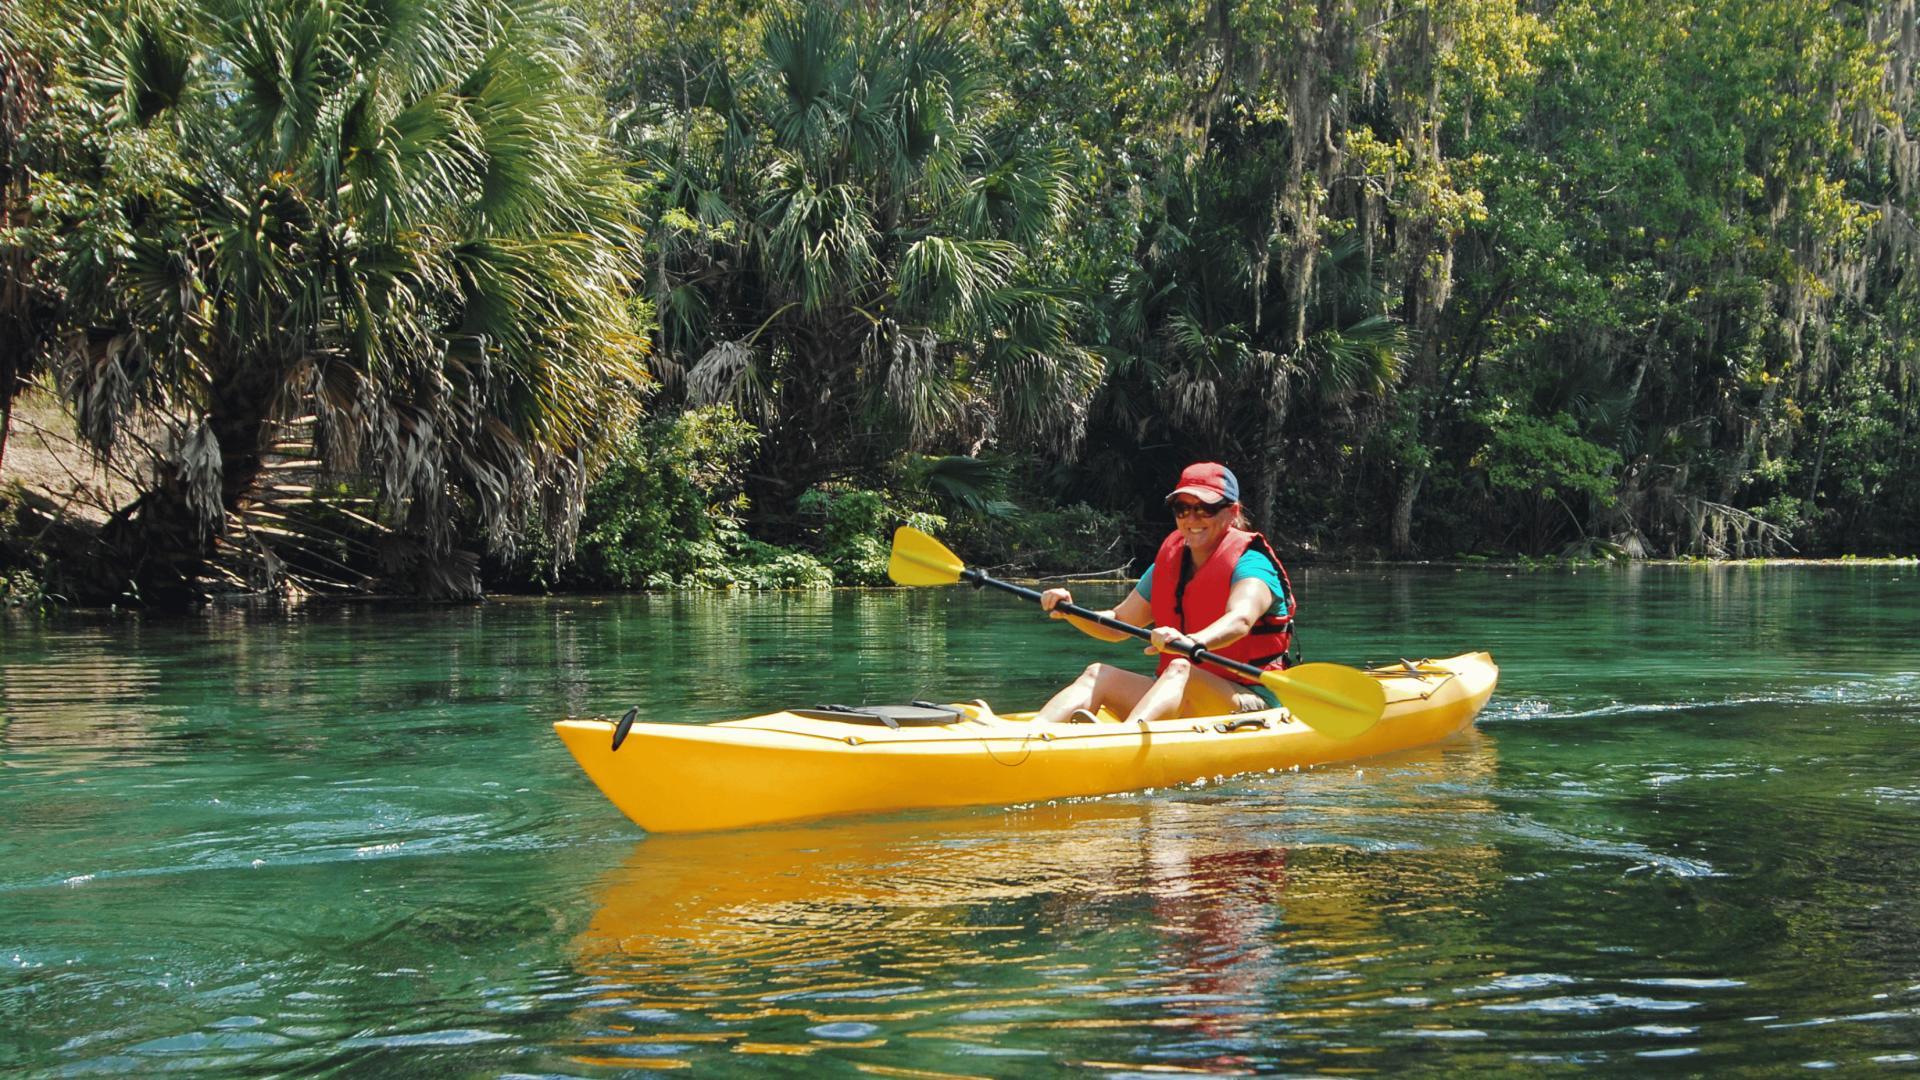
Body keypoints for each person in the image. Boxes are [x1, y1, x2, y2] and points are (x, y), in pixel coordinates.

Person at [1034, 462, 1295, 724]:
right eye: (1182, 509)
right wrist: (1070, 611)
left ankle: (1122, 741)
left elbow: (1240, 619)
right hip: (1176, 687)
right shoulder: (1170, 565)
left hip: (1251, 703)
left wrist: (1192, 641)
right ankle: (1028, 737)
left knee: (1182, 667)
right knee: (1097, 674)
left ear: (1232, 511)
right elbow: (1119, 623)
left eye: (1204, 509)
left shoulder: (1253, 565)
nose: (1191, 519)